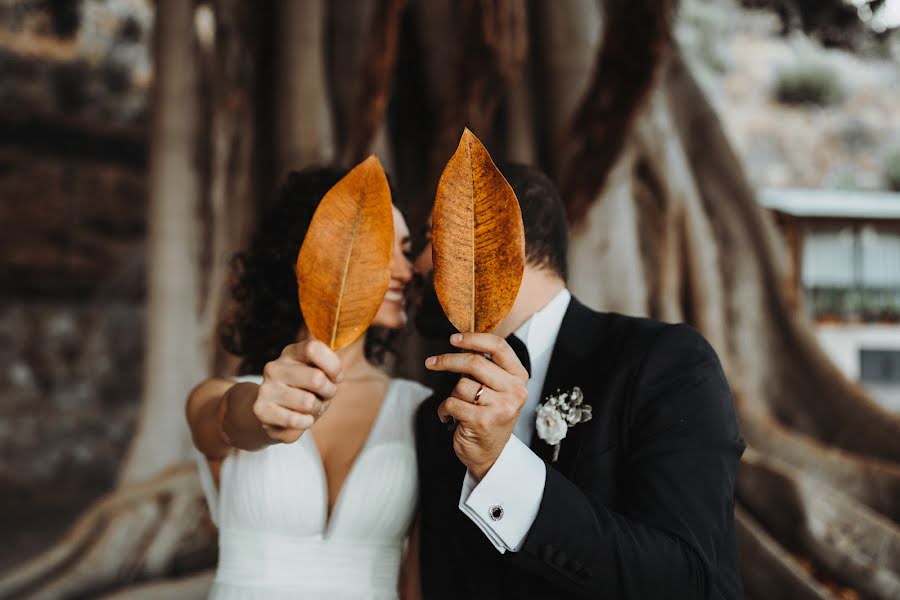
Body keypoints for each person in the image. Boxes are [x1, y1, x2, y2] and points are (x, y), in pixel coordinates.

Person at [412, 162, 745, 599]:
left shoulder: (664, 363)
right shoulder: (438, 412)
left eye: (430, 238)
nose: (415, 264)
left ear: (489, 237)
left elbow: (682, 580)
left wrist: (501, 467)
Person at [186, 166, 428, 599]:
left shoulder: (422, 410)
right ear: (319, 253)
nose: (406, 272)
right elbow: (227, 418)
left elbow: (416, 582)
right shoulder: (222, 396)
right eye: (381, 248)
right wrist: (263, 414)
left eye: (406, 252)